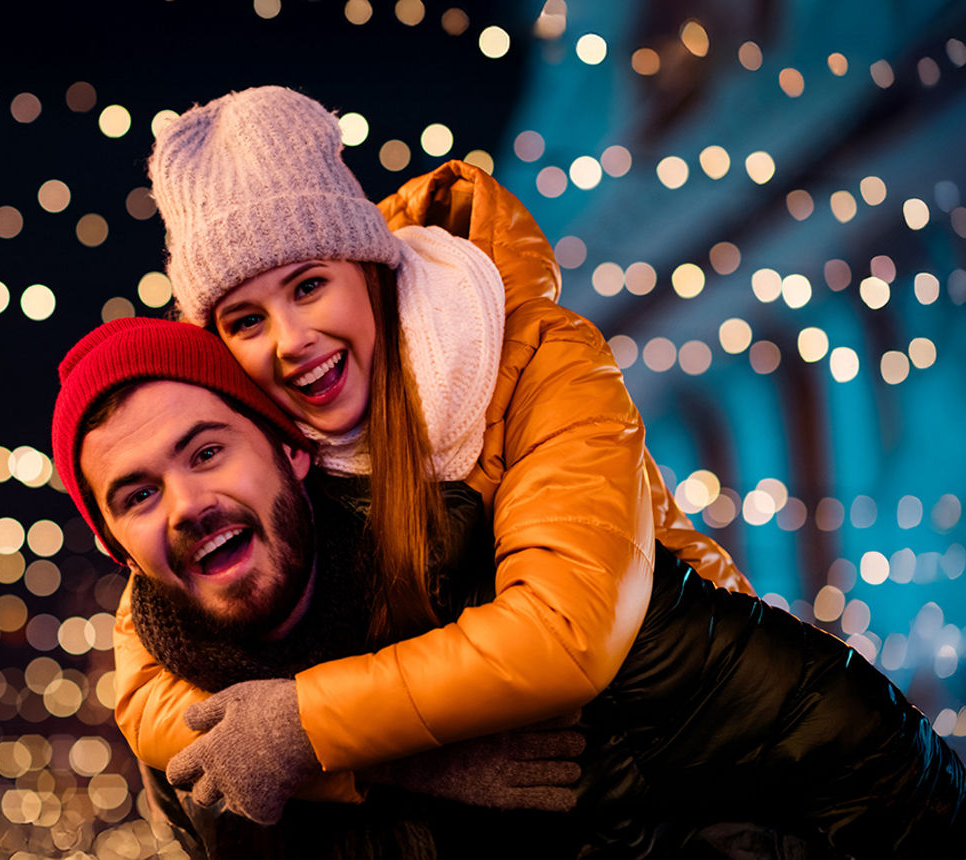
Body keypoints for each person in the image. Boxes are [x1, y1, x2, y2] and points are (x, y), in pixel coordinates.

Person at [50, 317, 966, 858]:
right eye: (136, 495)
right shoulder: (187, 744)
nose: (185, 504)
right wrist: (379, 765)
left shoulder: (512, 574)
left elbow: (884, 776)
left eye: (207, 452)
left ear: (292, 450)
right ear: (119, 548)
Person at [112, 83, 753, 813]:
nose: (292, 342)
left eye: (310, 285)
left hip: (722, 740)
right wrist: (378, 770)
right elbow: (147, 690)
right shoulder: (261, 447)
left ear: (369, 269)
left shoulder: (540, 355)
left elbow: (567, 628)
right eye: (246, 320)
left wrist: (307, 723)